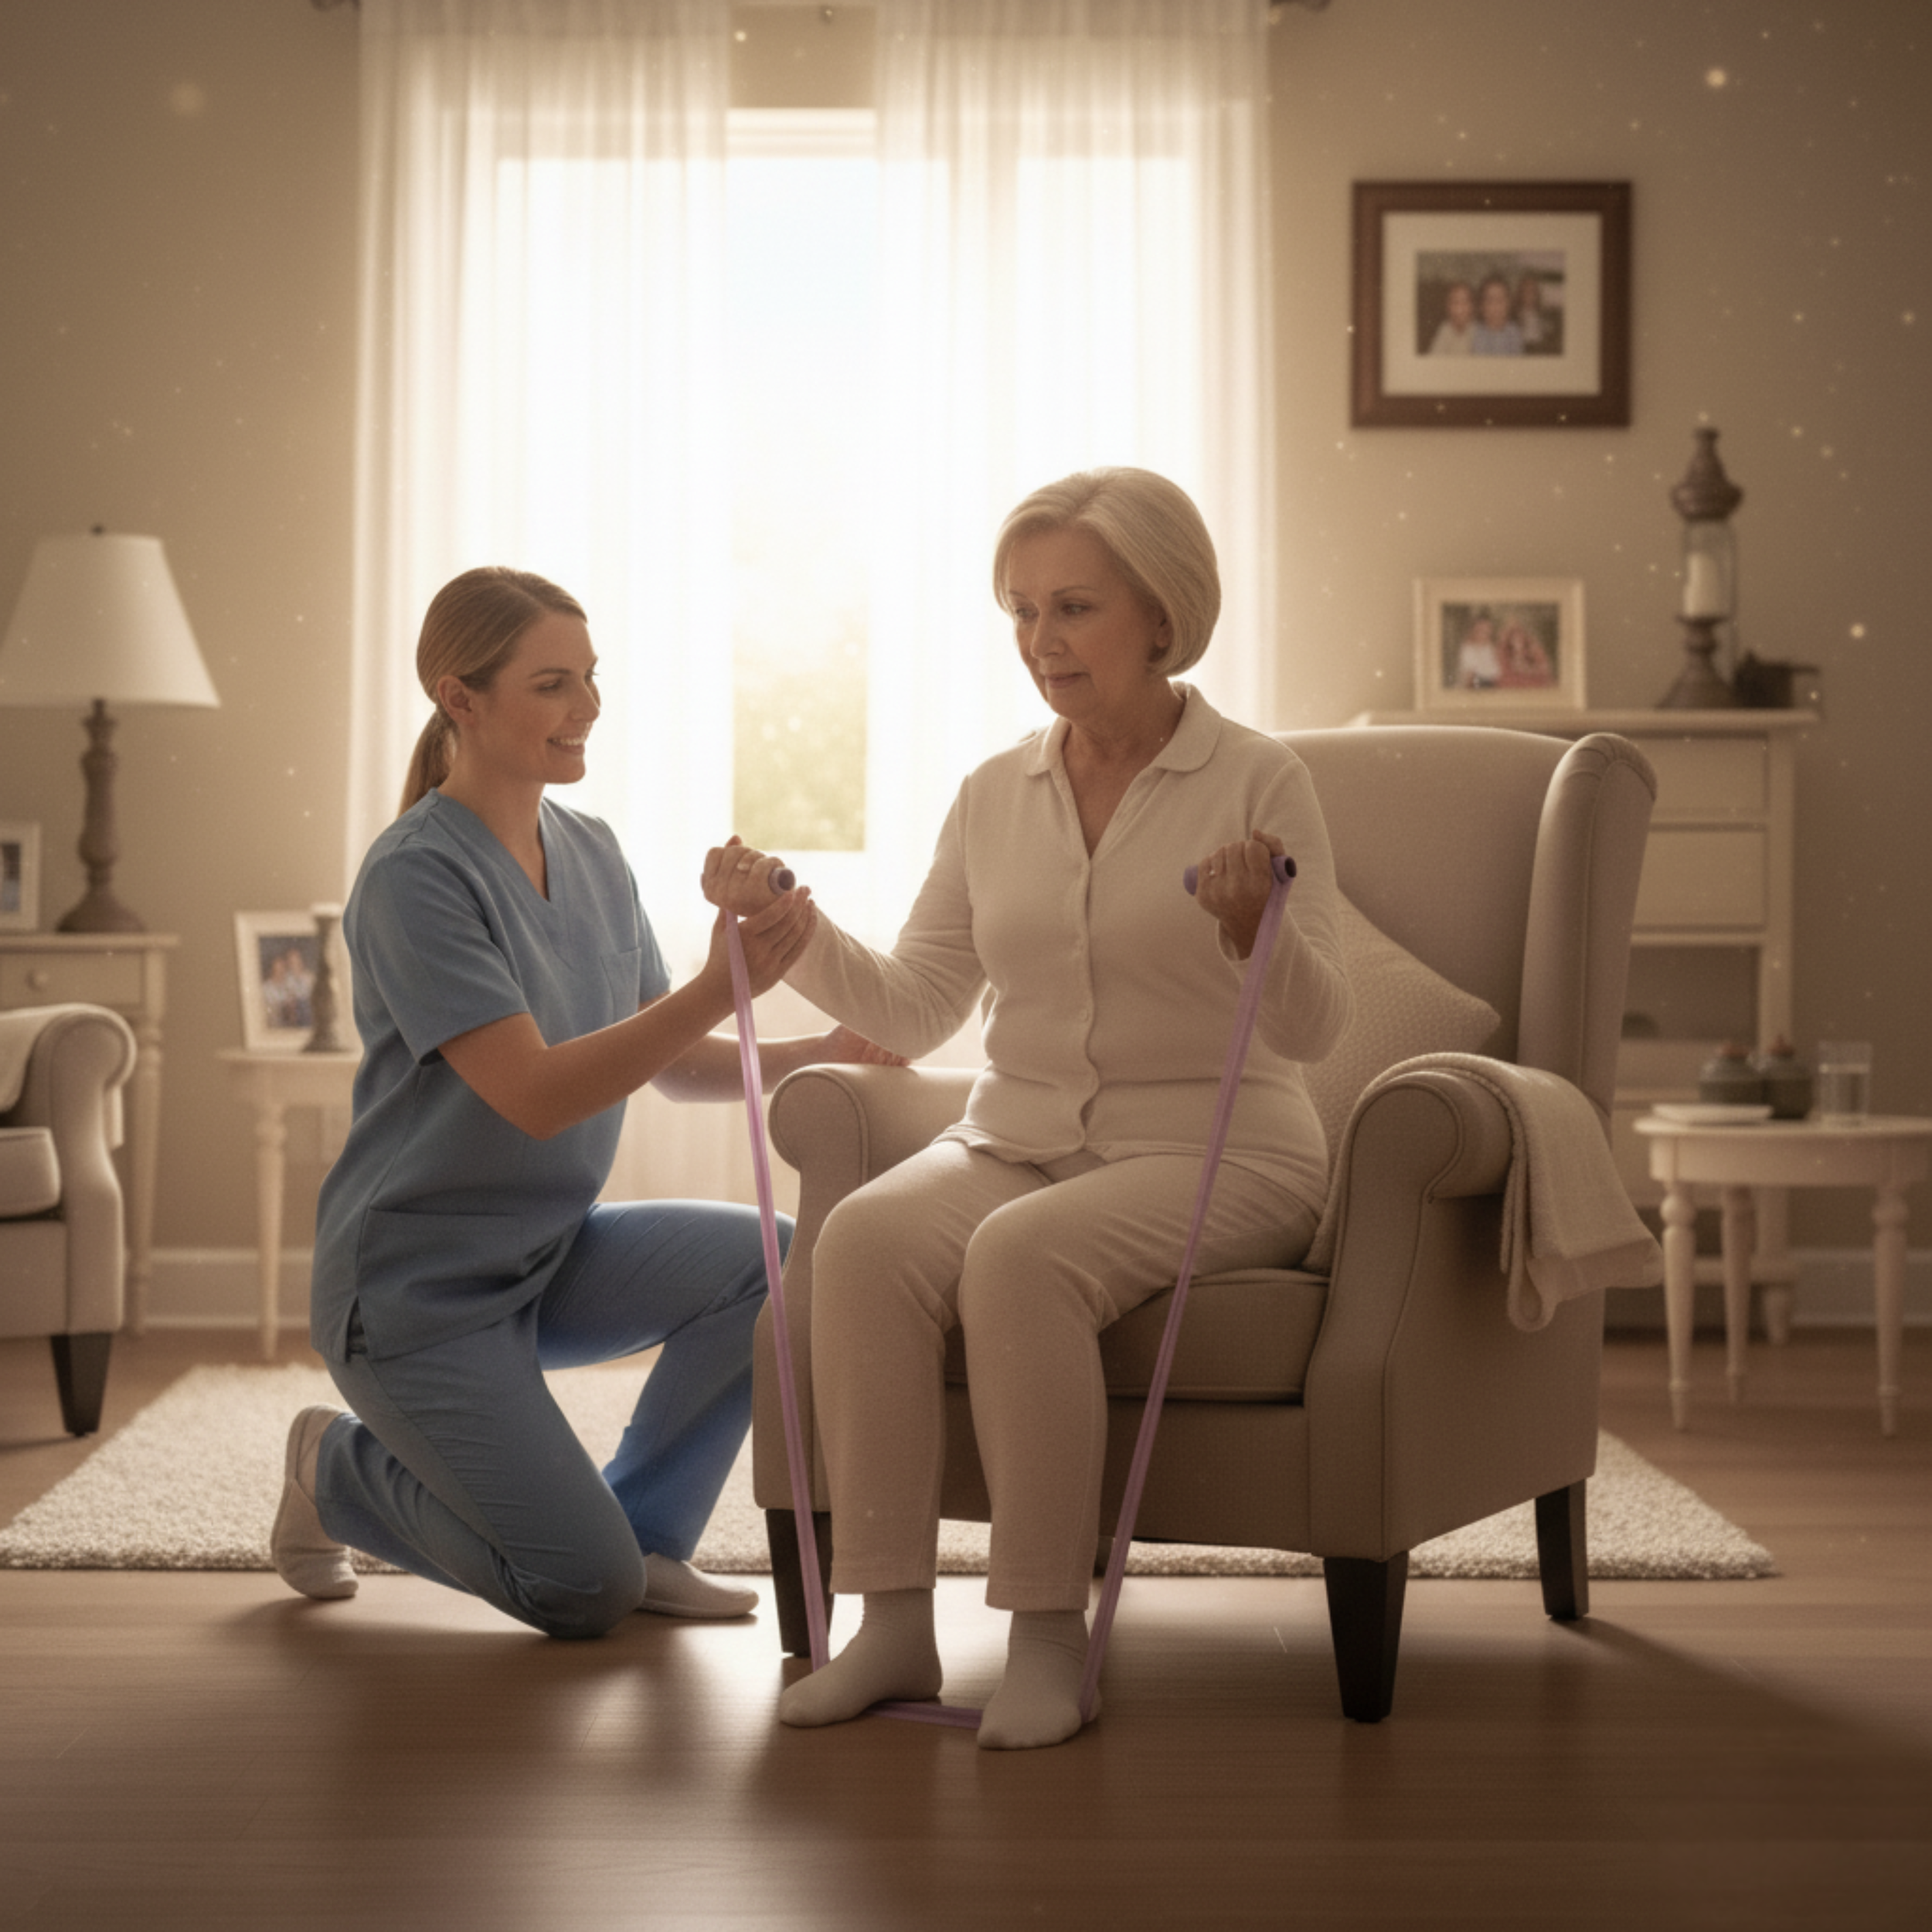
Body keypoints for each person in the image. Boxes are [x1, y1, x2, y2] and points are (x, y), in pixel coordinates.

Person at [709, 469, 1352, 1749]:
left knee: (1019, 1260)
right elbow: (916, 1003)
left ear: (1161, 616)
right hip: (1018, 1136)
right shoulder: (994, 791)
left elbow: (1316, 1030)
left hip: (1222, 1153)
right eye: (1022, 611)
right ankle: (889, 1625)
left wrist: (1252, 931)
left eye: (1074, 608)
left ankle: (1049, 1641)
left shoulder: (1258, 780)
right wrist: (796, 933)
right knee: (869, 1240)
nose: (1042, 642)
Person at [271, 566, 894, 1639]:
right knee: (577, 1589)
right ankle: (335, 1469)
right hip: (413, 1293)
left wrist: (817, 1047)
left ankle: (647, 1534)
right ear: (459, 699)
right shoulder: (416, 877)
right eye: (554, 683)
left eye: (592, 678)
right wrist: (718, 985)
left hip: (550, 1253)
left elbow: (663, 1056)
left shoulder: (594, 851)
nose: (588, 708)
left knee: (772, 1255)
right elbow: (536, 1096)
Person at [1470, 274, 1525, 355]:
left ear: (1509, 304)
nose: (1496, 306)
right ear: (1481, 306)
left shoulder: (1514, 332)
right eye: (1490, 300)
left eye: (1500, 300)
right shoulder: (1475, 332)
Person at [1427, 279, 1476, 355]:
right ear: (1448, 307)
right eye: (1455, 302)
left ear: (1472, 307)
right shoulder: (1444, 331)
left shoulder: (1477, 332)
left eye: (1465, 302)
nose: (1460, 308)